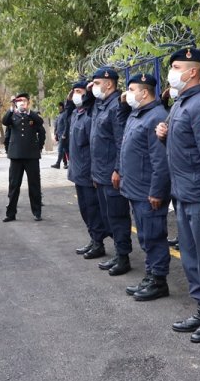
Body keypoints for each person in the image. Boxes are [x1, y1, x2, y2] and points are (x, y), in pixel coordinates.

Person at [155, 47, 200, 343]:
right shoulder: (181, 105)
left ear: (193, 72)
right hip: (184, 193)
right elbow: (183, 151)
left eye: (176, 66)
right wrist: (164, 137)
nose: (171, 72)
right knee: (190, 256)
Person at [119, 74, 172, 301]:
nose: (127, 94)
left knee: (154, 236)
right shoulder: (137, 114)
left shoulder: (157, 117)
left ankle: (159, 281)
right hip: (135, 188)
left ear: (144, 92)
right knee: (145, 236)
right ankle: (151, 275)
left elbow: (161, 160)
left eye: (131, 89)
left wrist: (157, 191)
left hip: (147, 190)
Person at [88, 68, 133, 275]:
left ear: (108, 84)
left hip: (112, 173)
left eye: (96, 83)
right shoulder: (101, 105)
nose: (93, 87)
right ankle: (118, 253)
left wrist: (118, 169)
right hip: (100, 172)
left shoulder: (116, 106)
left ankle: (123, 257)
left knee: (118, 216)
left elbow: (121, 141)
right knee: (108, 216)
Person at [66, 81, 110, 259]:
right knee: (84, 209)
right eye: (74, 91)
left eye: (79, 91)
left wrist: (94, 172)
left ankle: (98, 242)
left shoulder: (91, 116)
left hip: (88, 171)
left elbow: (94, 147)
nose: (75, 94)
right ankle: (93, 239)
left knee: (93, 209)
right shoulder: (76, 114)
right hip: (77, 171)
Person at [1, 93, 46, 222]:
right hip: (16, 156)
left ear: (28, 102)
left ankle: (37, 212)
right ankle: (11, 213)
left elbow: (40, 123)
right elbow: (5, 122)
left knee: (34, 185)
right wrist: (11, 107)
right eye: (19, 101)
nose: (22, 103)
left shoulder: (33, 115)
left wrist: (40, 147)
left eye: (24, 101)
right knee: (14, 185)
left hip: (31, 156)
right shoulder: (12, 115)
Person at [51, 100, 70, 169]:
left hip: (63, 135)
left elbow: (66, 125)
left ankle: (58, 164)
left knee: (60, 149)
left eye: (58, 106)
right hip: (59, 135)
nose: (57, 108)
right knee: (66, 150)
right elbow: (57, 126)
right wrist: (56, 134)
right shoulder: (59, 115)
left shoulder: (64, 114)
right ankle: (71, 163)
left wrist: (64, 134)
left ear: (61, 107)